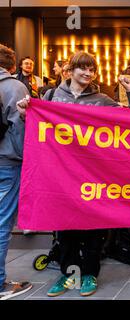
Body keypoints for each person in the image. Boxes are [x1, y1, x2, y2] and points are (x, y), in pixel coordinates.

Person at [16, 51, 130, 297]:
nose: (88, 73)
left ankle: (90, 274)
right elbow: (34, 128)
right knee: (65, 229)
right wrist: (23, 113)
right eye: (83, 68)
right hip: (59, 179)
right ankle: (68, 274)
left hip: (93, 176)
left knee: (94, 228)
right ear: (69, 71)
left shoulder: (103, 99)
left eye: (92, 69)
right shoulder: (50, 97)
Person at [0, 44, 33, 300]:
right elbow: (20, 131)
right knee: (2, 223)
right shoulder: (14, 87)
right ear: (13, 65)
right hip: (7, 162)